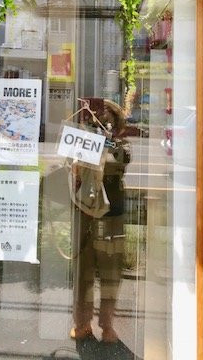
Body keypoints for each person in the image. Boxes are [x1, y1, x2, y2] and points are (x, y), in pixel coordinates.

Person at [69, 98, 130, 344]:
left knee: (110, 273)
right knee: (83, 272)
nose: (102, 126)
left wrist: (105, 144)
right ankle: (82, 323)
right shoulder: (82, 144)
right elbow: (71, 168)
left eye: (107, 122)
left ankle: (107, 325)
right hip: (84, 214)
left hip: (112, 216)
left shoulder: (121, 146)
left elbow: (121, 161)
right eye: (96, 123)